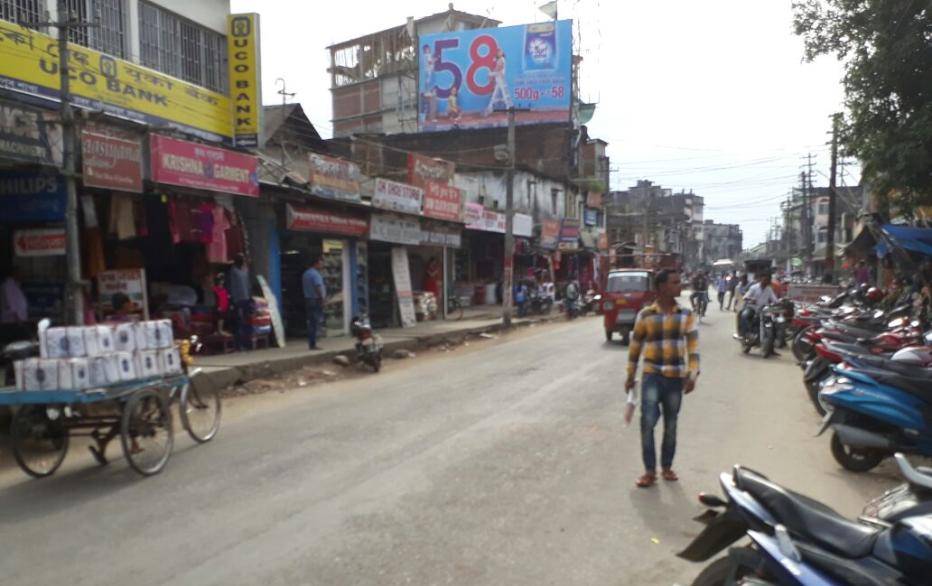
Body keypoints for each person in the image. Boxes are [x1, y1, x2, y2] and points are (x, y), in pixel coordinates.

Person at [626, 269, 699, 488]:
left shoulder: (686, 315)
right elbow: (635, 347)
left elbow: (693, 347)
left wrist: (692, 373)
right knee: (647, 422)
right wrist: (630, 375)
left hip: (675, 378)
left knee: (671, 423)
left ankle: (666, 467)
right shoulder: (645, 315)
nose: (680, 285)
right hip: (652, 375)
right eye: (675, 282)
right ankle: (650, 471)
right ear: (662, 287)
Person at [738, 272, 779, 339]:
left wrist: (779, 302)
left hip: (764, 310)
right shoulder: (753, 287)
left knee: (774, 321)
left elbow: (775, 300)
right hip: (753, 309)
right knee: (744, 316)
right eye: (765, 279)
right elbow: (745, 297)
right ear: (761, 279)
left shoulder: (769, 289)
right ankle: (747, 333)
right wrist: (751, 299)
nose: (766, 281)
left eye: (768, 280)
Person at [228, 253, 253, 351]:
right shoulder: (233, 271)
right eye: (242, 259)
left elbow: (248, 284)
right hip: (237, 300)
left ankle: (247, 343)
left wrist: (250, 297)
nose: (243, 260)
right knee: (239, 322)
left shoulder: (245, 270)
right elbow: (231, 286)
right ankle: (238, 345)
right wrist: (231, 300)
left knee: (247, 322)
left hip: (246, 299)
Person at [302, 255, 326, 351]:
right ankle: (313, 344)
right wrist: (322, 298)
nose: (322, 264)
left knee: (311, 322)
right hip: (315, 300)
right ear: (316, 263)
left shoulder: (306, 274)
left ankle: (312, 342)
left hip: (308, 299)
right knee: (315, 322)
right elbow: (318, 287)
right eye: (321, 262)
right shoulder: (315, 274)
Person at [484, 48, 512, 116]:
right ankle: (490, 107)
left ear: (502, 53)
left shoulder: (502, 59)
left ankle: (509, 109)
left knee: (504, 95)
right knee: (495, 94)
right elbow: (497, 68)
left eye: (500, 52)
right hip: (498, 78)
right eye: (498, 52)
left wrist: (492, 74)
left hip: (500, 77)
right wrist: (492, 74)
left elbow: (499, 67)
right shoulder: (499, 59)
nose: (499, 53)